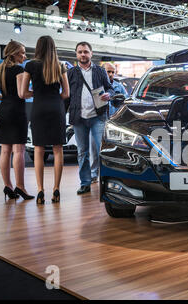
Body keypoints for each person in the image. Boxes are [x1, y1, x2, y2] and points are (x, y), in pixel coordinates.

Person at [22, 36, 70, 204]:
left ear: (38, 47)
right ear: (53, 48)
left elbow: (23, 93)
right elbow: (66, 94)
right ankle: (56, 189)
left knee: (38, 150)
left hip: (39, 108)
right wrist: (53, 96)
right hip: (56, 108)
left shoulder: (30, 65)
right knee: (58, 150)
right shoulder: (60, 66)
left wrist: (37, 93)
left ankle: (40, 190)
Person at [66, 41, 113, 194]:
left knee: (102, 151)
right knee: (82, 152)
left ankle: (107, 182)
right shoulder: (71, 73)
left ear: (91, 53)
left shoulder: (100, 71)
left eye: (85, 51)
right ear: (76, 54)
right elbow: (67, 96)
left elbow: (110, 88)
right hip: (79, 118)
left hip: (98, 116)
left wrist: (109, 95)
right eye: (80, 52)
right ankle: (85, 182)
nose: (83, 54)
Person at [0, 40, 33, 201]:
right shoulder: (18, 69)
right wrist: (38, 92)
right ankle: (20, 187)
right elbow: (23, 94)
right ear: (14, 54)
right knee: (19, 150)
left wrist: (6, 97)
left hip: (3, 111)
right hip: (16, 112)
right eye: (22, 52)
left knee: (5, 150)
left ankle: (8, 186)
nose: (24, 55)